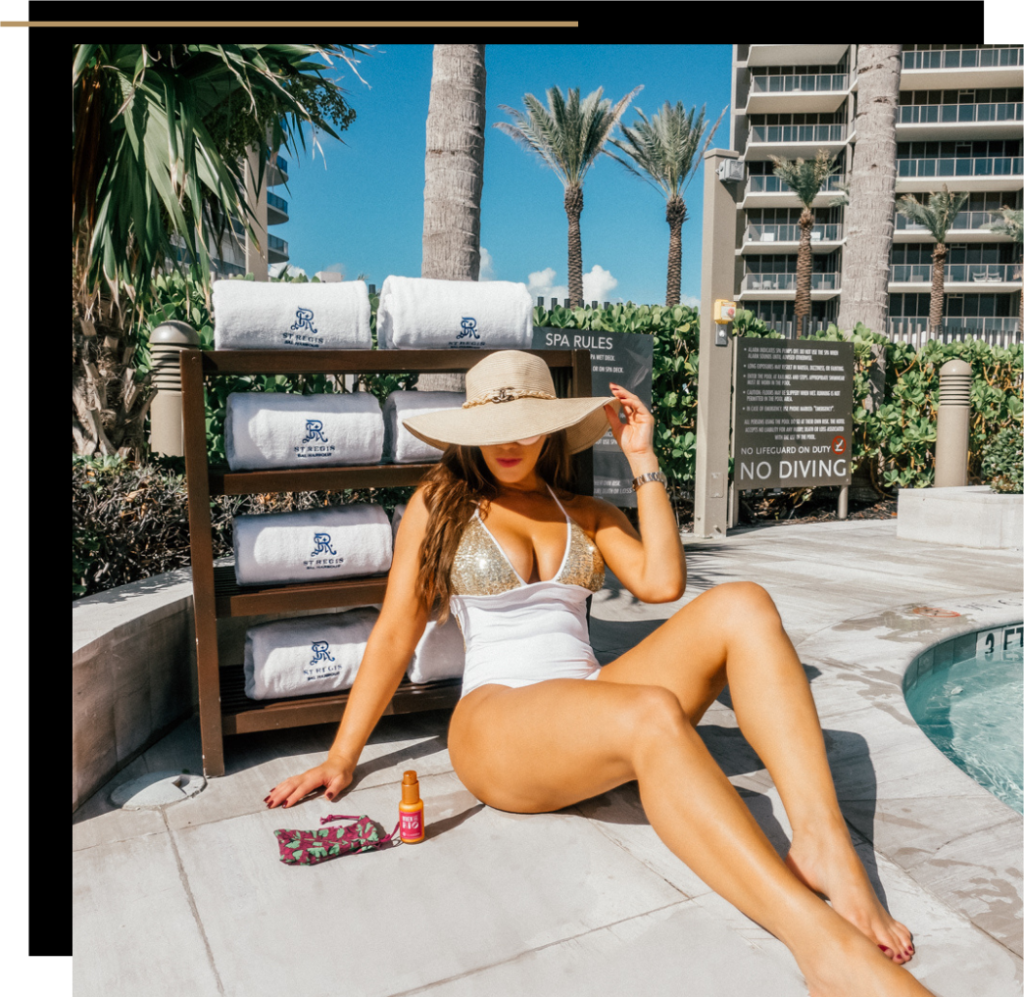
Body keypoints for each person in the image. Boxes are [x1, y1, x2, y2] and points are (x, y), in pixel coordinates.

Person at [267, 351, 934, 997]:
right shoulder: (441, 504)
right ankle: (820, 943)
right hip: (496, 721)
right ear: (470, 431)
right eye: (494, 428)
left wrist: (642, 459)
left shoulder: (581, 511)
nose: (509, 442)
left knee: (745, 605)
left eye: (525, 425)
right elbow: (393, 633)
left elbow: (663, 580)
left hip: (584, 703)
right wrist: (342, 754)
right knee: (650, 713)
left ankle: (823, 845)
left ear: (551, 429)